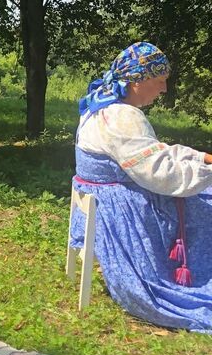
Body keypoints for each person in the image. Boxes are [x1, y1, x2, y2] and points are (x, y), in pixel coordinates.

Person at [70, 41, 212, 330]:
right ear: (137, 82)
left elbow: (152, 152)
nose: (163, 90)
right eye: (159, 81)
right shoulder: (124, 116)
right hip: (120, 205)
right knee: (206, 203)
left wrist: (200, 157)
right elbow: (159, 173)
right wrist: (206, 174)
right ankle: (194, 275)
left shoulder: (101, 104)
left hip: (102, 193)